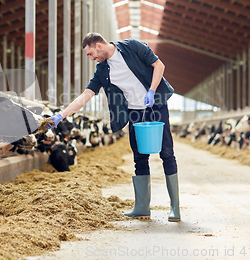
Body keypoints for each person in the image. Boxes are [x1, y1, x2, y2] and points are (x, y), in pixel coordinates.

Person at [47, 32, 179, 222]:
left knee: (166, 152)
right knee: (140, 157)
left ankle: (175, 207)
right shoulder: (102, 71)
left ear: (98, 46)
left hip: (156, 105)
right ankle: (142, 207)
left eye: (90, 54)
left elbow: (159, 66)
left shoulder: (132, 47)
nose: (92, 58)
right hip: (134, 113)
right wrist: (61, 115)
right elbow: (85, 96)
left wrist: (151, 90)